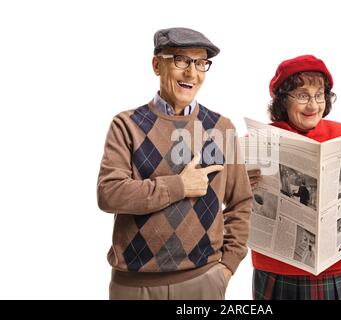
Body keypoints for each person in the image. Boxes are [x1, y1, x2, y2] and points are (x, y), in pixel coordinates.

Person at [97, 27, 253, 300]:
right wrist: (179, 185)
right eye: (181, 60)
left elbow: (241, 201)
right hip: (134, 287)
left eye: (201, 63)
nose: (192, 73)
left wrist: (228, 265)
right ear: (157, 65)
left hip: (203, 280)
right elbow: (109, 194)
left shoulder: (221, 128)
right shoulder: (127, 125)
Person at [247, 55, 341, 300]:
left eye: (319, 95)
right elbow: (230, 201)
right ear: (283, 100)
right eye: (302, 95)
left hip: (336, 269)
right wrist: (241, 185)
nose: (313, 105)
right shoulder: (258, 142)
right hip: (277, 271)